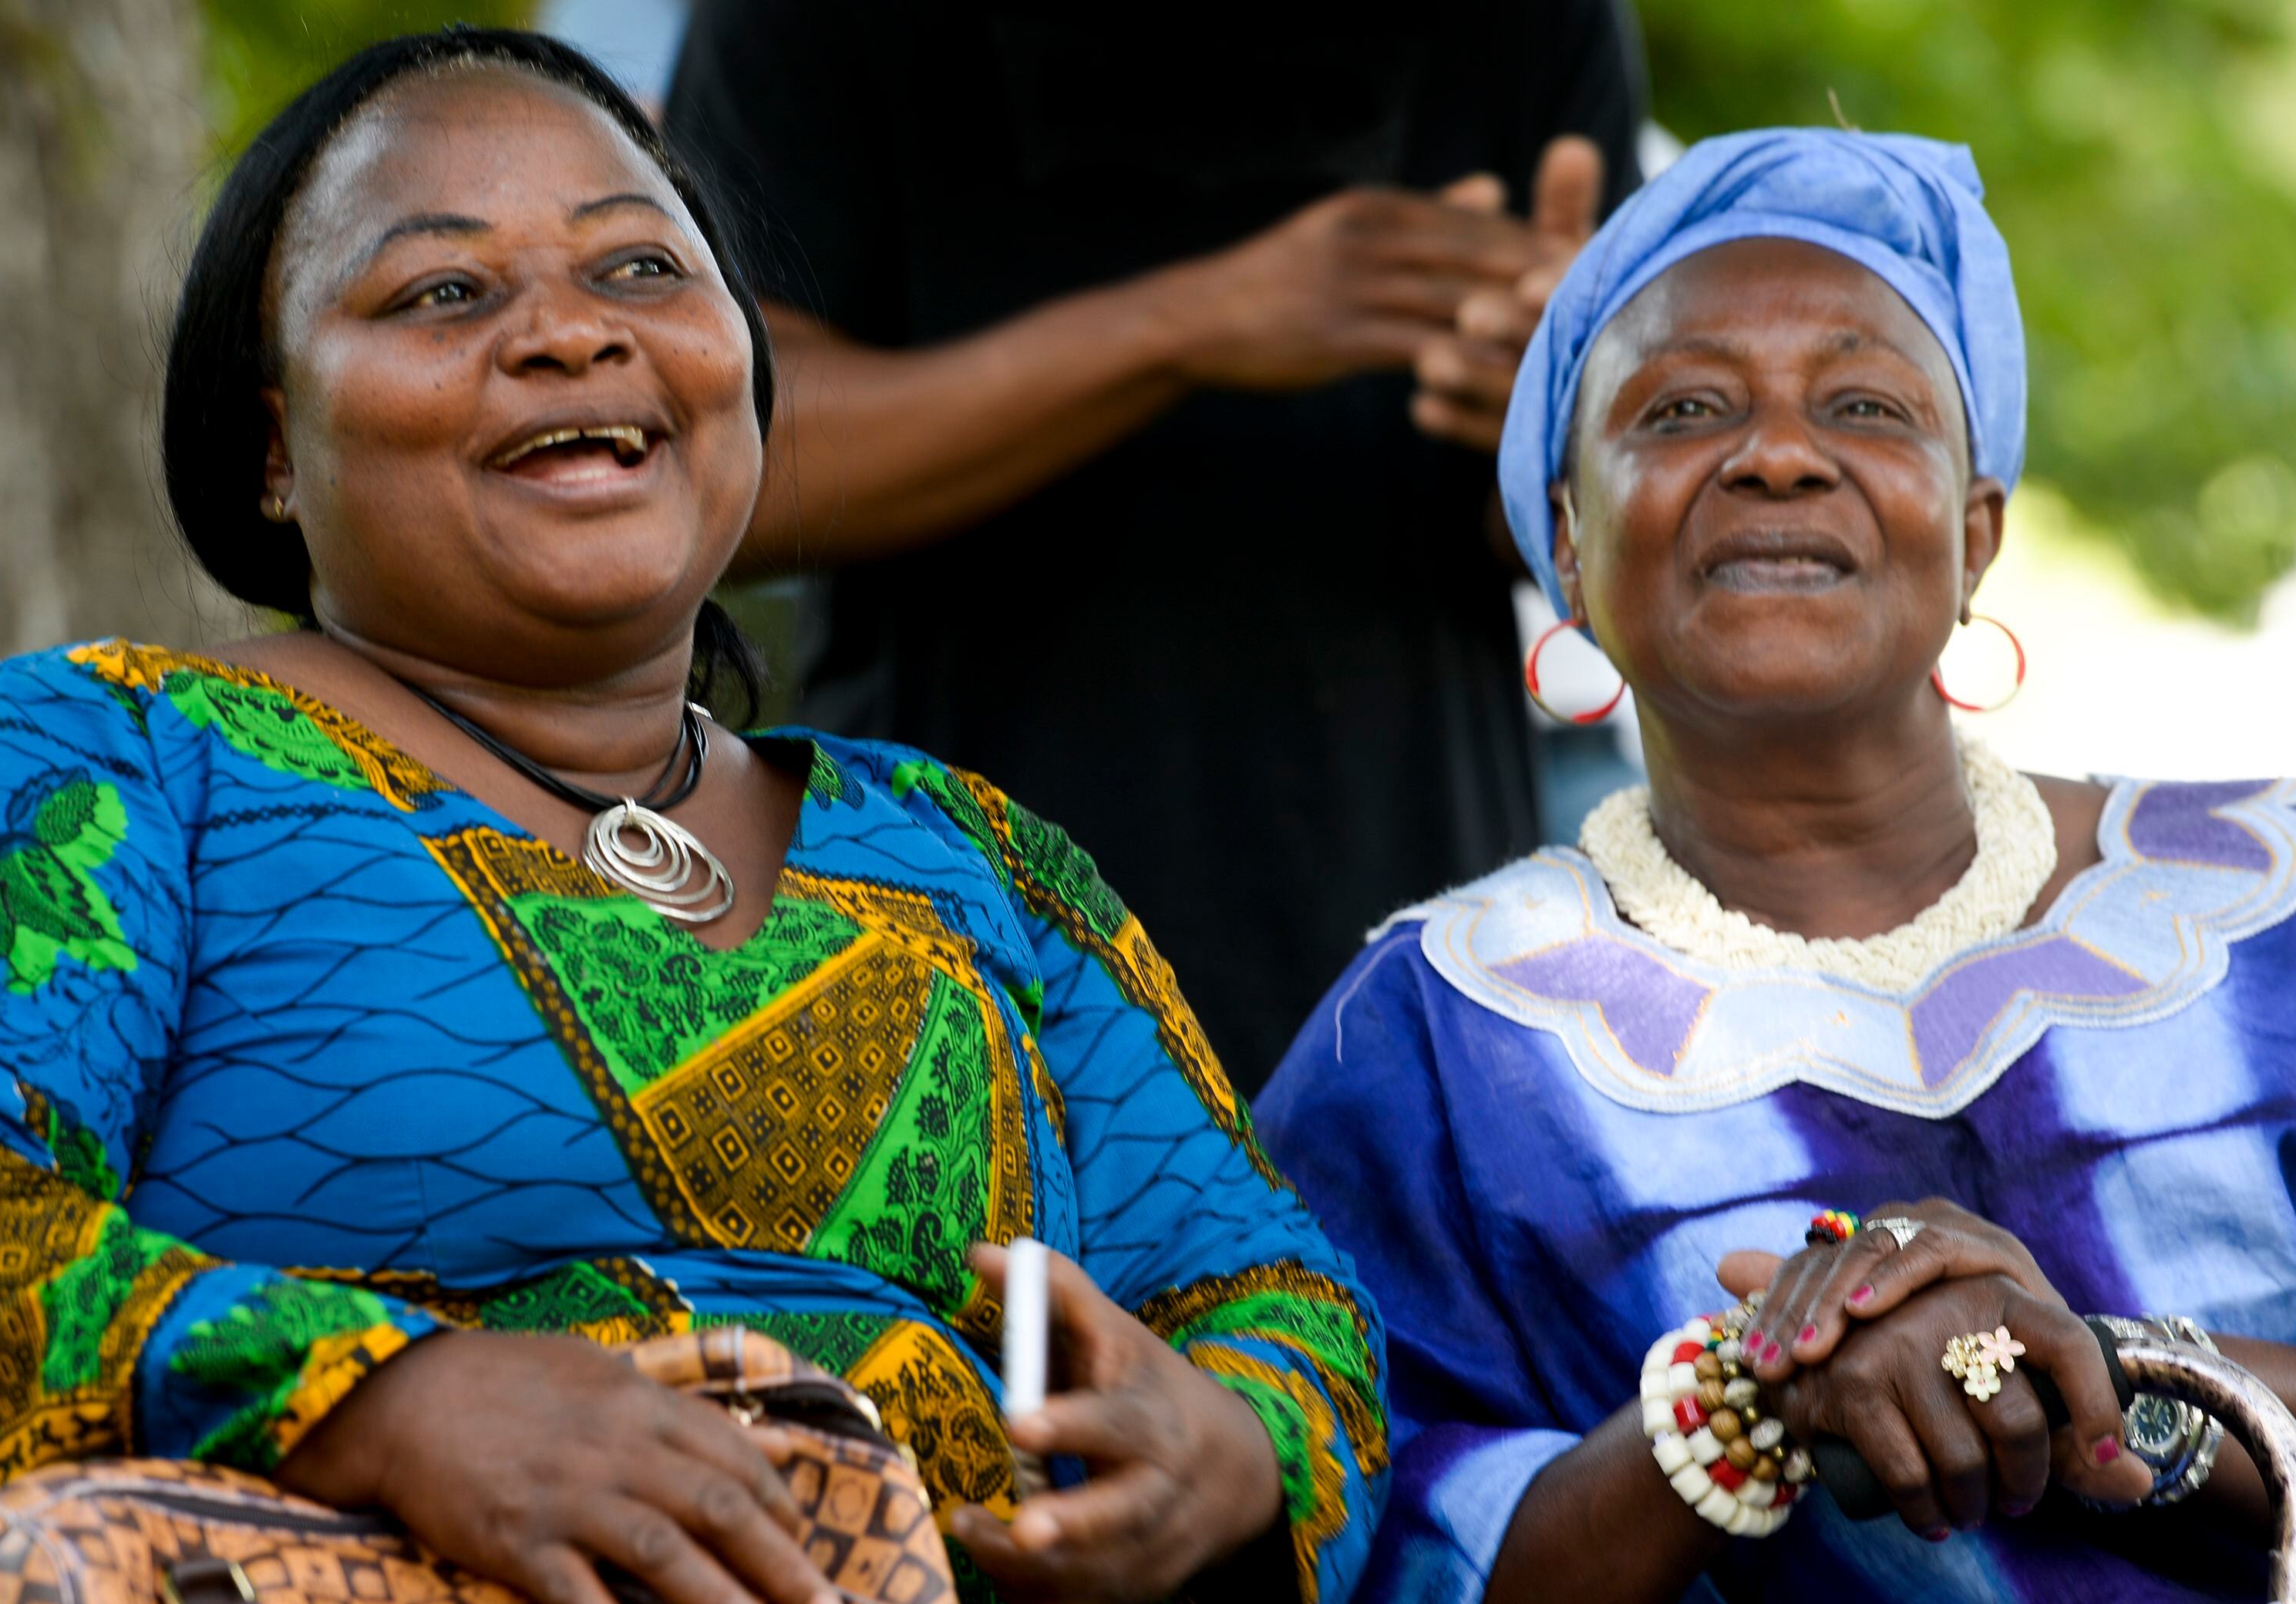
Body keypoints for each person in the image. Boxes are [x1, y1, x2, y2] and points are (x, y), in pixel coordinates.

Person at [0, 32, 1406, 1604]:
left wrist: (1224, 1454)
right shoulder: (100, 769)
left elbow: (1269, 1293)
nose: (568, 330)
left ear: (739, 377)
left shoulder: (971, 855)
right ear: (272, 448)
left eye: (641, 267)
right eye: (442, 288)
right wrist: (368, 1406)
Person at [1255, 129, 2296, 1604]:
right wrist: (1739, 1402)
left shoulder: (2283, 890)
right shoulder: (1437, 1028)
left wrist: (2097, 1383)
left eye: (1866, 407)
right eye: (1680, 412)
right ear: (1568, 551)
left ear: (1975, 532)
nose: (1778, 457)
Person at [663, 1, 1646, 1089]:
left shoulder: (1529, 26)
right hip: (962, 962)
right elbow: (713, 478)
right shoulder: (805, 27)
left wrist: (1554, 428)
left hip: (1405, 970)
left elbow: (1594, 543)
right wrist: (1189, 326)